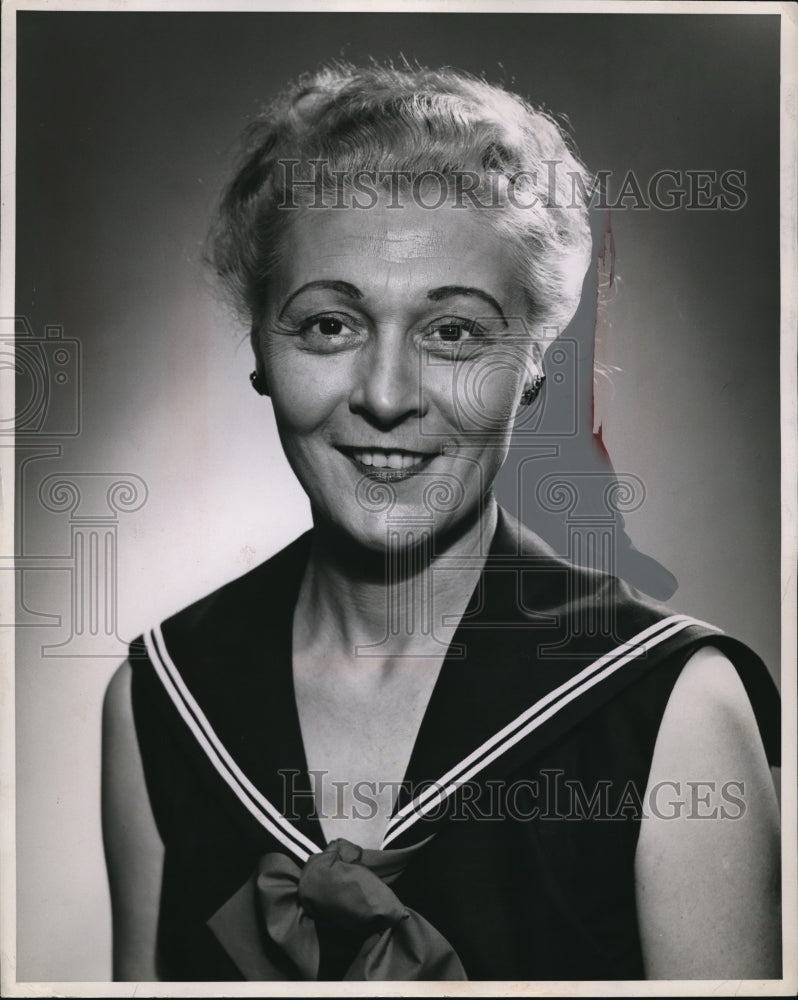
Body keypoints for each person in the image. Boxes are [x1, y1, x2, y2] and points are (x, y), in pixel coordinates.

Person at [102, 63, 781, 982]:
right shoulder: (162, 698)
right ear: (260, 343)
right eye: (330, 325)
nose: (386, 396)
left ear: (534, 361)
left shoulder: (674, 709)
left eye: (454, 332)